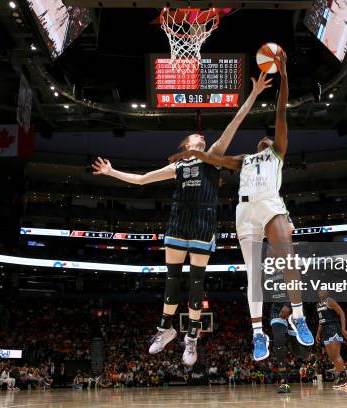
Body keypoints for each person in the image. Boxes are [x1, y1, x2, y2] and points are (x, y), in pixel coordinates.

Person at [92, 73, 272, 366]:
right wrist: (111, 172)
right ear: (186, 143)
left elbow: (234, 122)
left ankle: (191, 338)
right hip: (178, 222)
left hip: (203, 222)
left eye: (202, 136)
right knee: (172, 280)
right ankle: (166, 329)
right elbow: (141, 180)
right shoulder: (176, 166)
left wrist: (253, 95)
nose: (202, 136)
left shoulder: (213, 156)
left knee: (197, 284)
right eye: (196, 136)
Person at [168, 53, 314, 363]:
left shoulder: (278, 152)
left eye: (267, 137)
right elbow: (214, 159)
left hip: (270, 205)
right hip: (245, 213)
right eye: (261, 138)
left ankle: (298, 315)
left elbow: (281, 113)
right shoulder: (243, 160)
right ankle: (257, 333)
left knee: (288, 256)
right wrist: (189, 155)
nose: (264, 138)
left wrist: (284, 74)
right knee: (254, 276)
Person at [315, 290, 347, 389]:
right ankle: (340, 378)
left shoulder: (330, 301)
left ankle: (345, 380)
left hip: (334, 327)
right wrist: (317, 334)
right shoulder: (318, 305)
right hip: (325, 330)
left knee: (336, 355)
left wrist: (343, 329)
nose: (322, 291)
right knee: (332, 357)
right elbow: (321, 321)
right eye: (320, 290)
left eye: (324, 290)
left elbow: (342, 313)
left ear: (327, 292)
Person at [270, 304, 308, 393]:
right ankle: (284, 382)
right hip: (276, 308)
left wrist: (287, 304)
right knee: (278, 342)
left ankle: (310, 358)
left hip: (294, 306)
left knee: (296, 349)